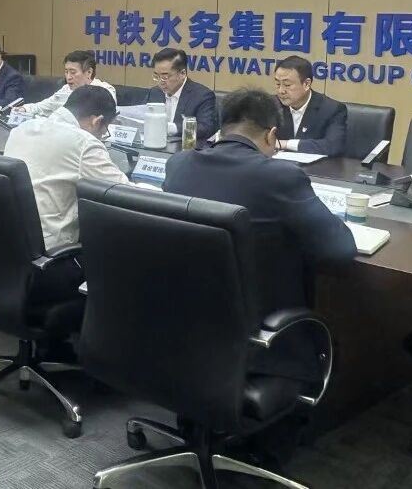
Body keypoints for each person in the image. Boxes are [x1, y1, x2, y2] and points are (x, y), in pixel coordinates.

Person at [163, 88, 355, 335]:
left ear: (222, 129)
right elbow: (341, 248)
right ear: (271, 135)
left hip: (189, 324)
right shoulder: (280, 177)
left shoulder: (178, 164)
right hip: (262, 331)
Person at [4, 85, 132, 249]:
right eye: (104, 131)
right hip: (51, 249)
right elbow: (123, 191)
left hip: (9, 238)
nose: (103, 137)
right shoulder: (84, 142)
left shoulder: (21, 129)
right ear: (96, 121)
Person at [274, 55, 348, 157]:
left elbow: (333, 146)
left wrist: (284, 144)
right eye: (278, 84)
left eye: (287, 85)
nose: (281, 91)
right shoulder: (271, 105)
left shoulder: (331, 109)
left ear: (306, 84)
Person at [145, 47, 218, 143]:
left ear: (182, 73)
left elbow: (205, 128)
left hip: (184, 149)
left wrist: (172, 128)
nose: (160, 82)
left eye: (165, 77)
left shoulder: (202, 96)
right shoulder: (155, 92)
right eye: (156, 76)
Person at [20, 50, 116, 118]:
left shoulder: (105, 91)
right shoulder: (66, 89)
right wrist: (23, 109)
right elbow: (42, 107)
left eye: (73, 72)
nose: (68, 77)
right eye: (66, 72)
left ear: (89, 72)